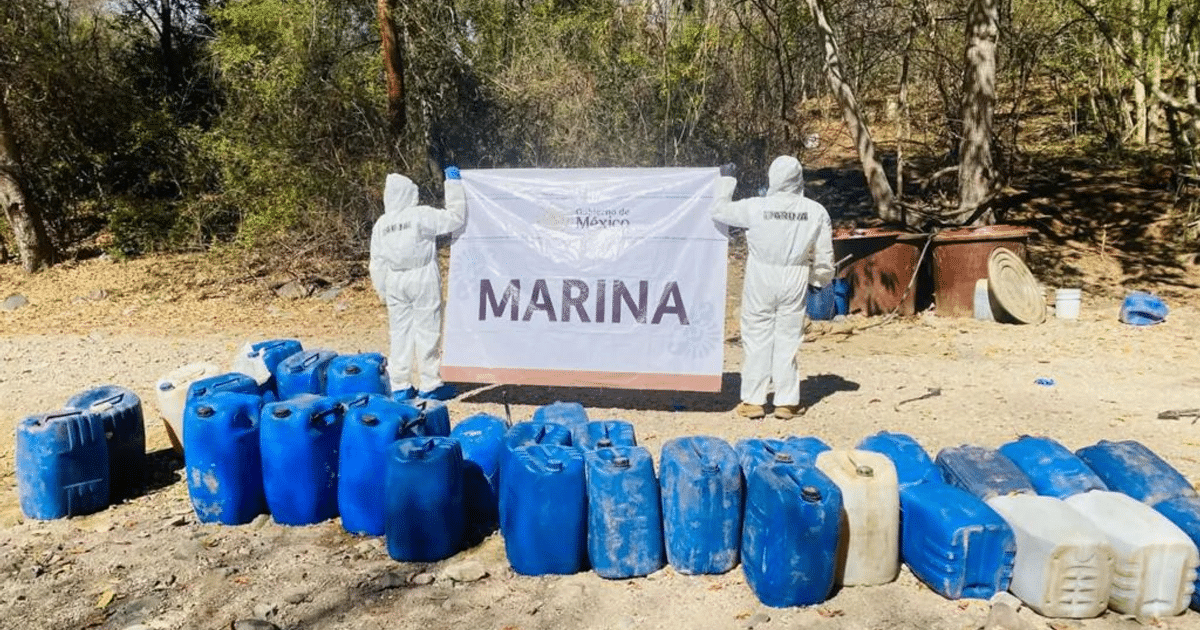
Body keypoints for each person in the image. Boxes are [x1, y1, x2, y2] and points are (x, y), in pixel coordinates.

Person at [712, 156, 834, 419]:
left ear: (772, 178)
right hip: (795, 276)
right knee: (788, 339)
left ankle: (754, 401)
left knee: (757, 337)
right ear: (799, 178)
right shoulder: (816, 211)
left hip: (761, 276)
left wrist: (726, 180)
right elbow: (825, 257)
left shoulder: (756, 207)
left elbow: (719, 210)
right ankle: (786, 402)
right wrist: (819, 281)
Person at [369, 167, 466, 400]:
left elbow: (377, 262)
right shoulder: (420, 215)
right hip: (421, 276)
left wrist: (382, 291)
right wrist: (453, 186)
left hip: (394, 280)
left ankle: (400, 384)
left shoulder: (382, 224)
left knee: (400, 332)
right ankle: (430, 383)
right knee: (427, 329)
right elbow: (454, 219)